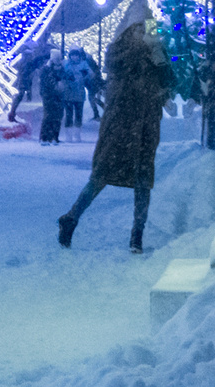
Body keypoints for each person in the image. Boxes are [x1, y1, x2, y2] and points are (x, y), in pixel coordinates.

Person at [58, 13, 172, 252]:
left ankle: (136, 235)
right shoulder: (122, 56)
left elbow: (169, 83)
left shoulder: (155, 56)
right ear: (131, 33)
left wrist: (160, 61)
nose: (147, 34)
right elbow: (124, 86)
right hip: (122, 129)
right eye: (142, 30)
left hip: (144, 129)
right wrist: (148, 58)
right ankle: (72, 217)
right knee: (102, 177)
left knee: (142, 182)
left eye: (150, 30)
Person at [10, 32, 59, 121]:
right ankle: (12, 114)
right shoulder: (27, 59)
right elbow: (28, 69)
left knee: (20, 96)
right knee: (19, 96)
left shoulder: (28, 59)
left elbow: (31, 68)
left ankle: (12, 113)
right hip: (23, 79)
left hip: (24, 79)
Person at [62, 45, 99, 135]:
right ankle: (68, 133)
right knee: (69, 114)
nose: (74, 57)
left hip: (79, 93)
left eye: (76, 55)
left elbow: (91, 74)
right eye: (72, 55)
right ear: (70, 56)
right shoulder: (66, 64)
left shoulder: (84, 64)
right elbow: (61, 75)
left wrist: (85, 77)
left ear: (79, 56)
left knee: (78, 113)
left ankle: (77, 132)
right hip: (68, 92)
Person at [37, 53, 69, 144]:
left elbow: (66, 78)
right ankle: (45, 137)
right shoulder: (46, 69)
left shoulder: (61, 69)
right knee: (49, 116)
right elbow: (46, 82)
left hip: (58, 95)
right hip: (49, 95)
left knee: (58, 116)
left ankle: (54, 137)